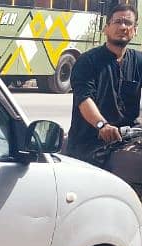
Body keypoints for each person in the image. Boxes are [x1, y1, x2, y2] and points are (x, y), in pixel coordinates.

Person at [66, 3, 142, 163]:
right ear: (106, 28)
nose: (123, 27)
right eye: (118, 22)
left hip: (126, 140)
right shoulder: (87, 61)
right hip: (89, 144)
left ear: (134, 30)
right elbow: (84, 99)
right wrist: (102, 125)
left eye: (128, 23)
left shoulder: (138, 61)